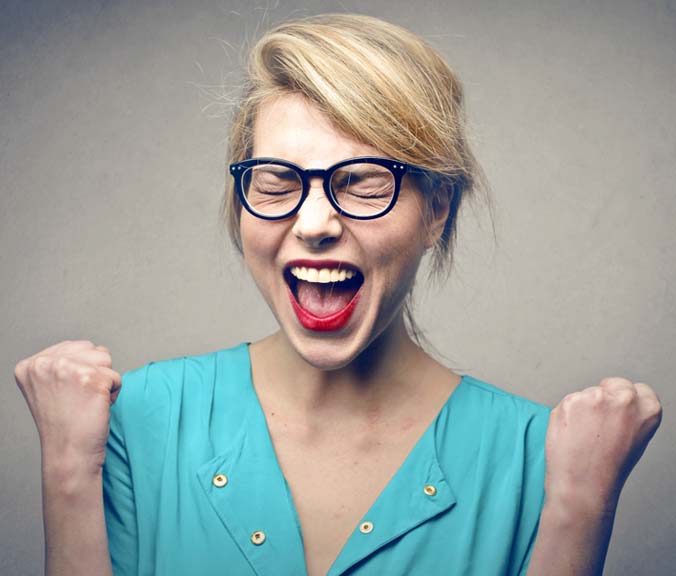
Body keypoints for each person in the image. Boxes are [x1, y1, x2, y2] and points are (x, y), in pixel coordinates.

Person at [14, 13, 662, 576]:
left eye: (361, 182)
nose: (315, 223)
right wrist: (68, 476)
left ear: (437, 209)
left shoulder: (543, 459)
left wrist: (579, 509)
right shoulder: (132, 423)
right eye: (275, 181)